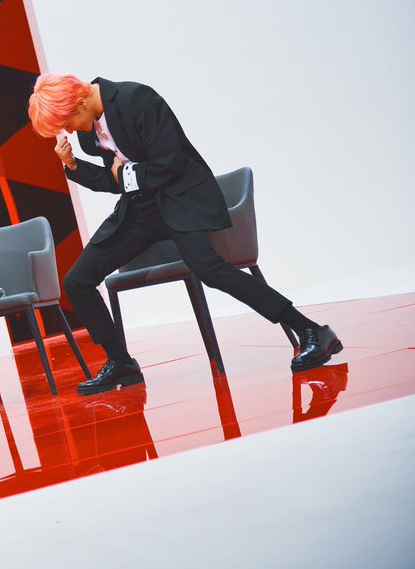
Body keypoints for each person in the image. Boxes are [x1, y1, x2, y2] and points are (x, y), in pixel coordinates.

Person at [26, 74, 340, 394]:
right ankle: (121, 362)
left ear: (79, 101)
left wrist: (127, 173)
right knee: (77, 282)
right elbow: (117, 181)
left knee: (208, 268)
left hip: (181, 197)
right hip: (141, 210)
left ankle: (312, 331)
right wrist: (74, 167)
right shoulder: (89, 134)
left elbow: (169, 164)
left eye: (67, 123)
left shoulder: (137, 99)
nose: (71, 131)